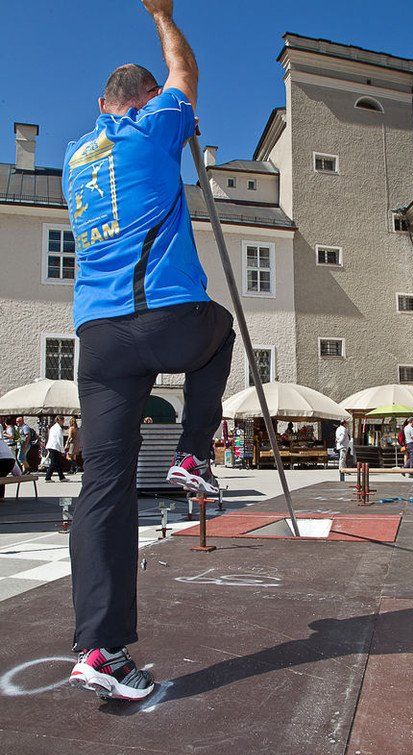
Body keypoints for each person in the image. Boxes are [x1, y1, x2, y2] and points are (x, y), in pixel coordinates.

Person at [66, 0, 234, 702]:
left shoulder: (76, 156)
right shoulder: (152, 124)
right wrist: (163, 15)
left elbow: (132, 104)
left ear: (100, 104)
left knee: (103, 487)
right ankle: (193, 454)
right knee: (219, 329)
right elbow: (184, 72)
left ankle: (98, 649)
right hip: (161, 314)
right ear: (140, 100)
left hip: (99, 338)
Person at [45, 416, 68, 482]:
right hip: (55, 446)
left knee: (58, 463)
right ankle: (48, 477)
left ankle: (62, 477)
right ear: (59, 420)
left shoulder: (53, 427)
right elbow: (59, 439)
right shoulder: (58, 428)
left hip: (52, 446)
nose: (63, 422)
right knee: (54, 463)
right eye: (62, 420)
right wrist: (62, 450)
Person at [0, 436, 18, 502]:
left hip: (2, 461)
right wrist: (18, 473)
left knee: (1, 476)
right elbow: (10, 456)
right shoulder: (3, 442)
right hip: (11, 462)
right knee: (2, 476)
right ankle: (1, 497)